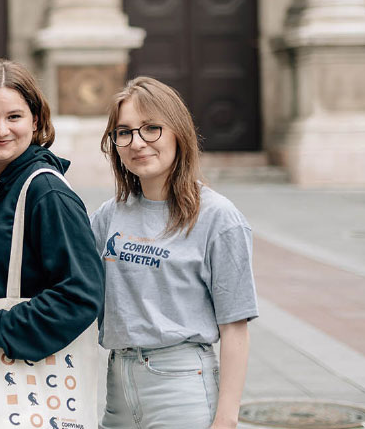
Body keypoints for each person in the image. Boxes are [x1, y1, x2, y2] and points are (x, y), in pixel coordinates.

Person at [0, 58, 104, 427]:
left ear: (36, 120)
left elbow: (81, 296)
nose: (1, 130)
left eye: (14, 117)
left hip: (21, 395)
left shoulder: (46, 192)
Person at [92, 76, 257, 429]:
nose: (137, 143)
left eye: (151, 128)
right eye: (124, 132)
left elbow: (235, 328)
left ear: (178, 132)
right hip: (119, 383)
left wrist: (226, 419)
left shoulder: (219, 217)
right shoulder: (110, 214)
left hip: (182, 385)